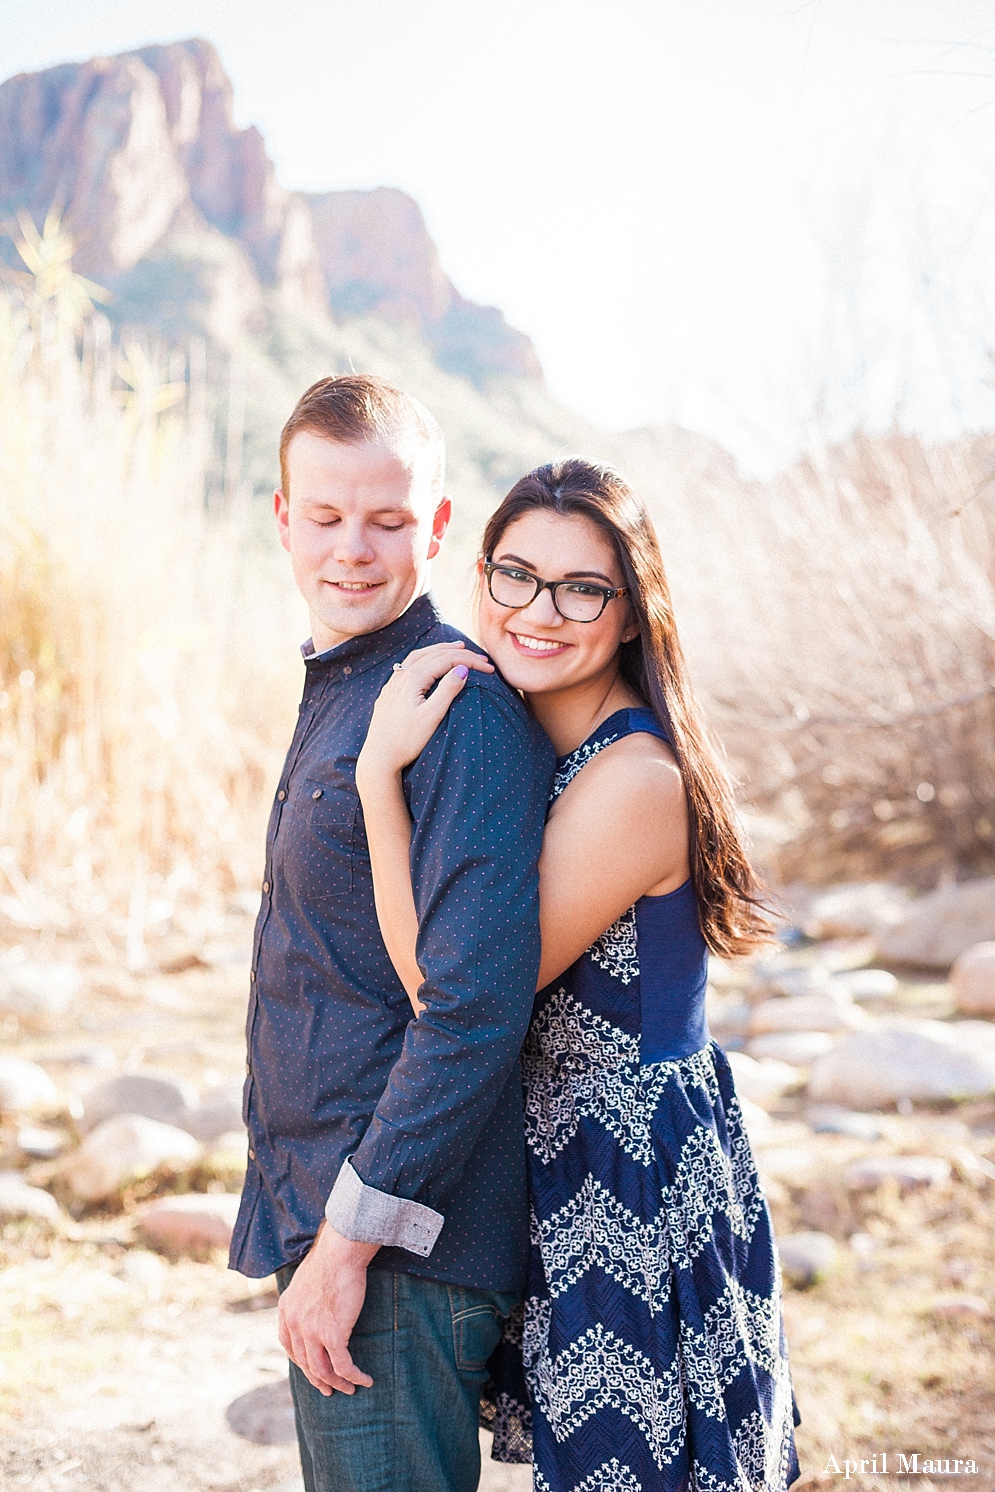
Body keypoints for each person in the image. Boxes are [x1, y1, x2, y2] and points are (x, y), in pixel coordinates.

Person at [355, 458, 801, 1492]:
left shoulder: (632, 780)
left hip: (632, 1169)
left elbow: (446, 988)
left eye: (580, 589)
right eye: (513, 575)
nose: (537, 611)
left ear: (632, 611)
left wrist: (378, 778)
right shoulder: (532, 741)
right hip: (564, 1153)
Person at [229, 374, 554, 1492]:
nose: (353, 550)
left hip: (394, 1243)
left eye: (387, 519)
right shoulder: (350, 687)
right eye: (323, 516)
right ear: (281, 517)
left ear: (440, 525)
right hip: (340, 1217)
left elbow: (471, 1008)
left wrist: (347, 1246)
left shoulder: (455, 709)